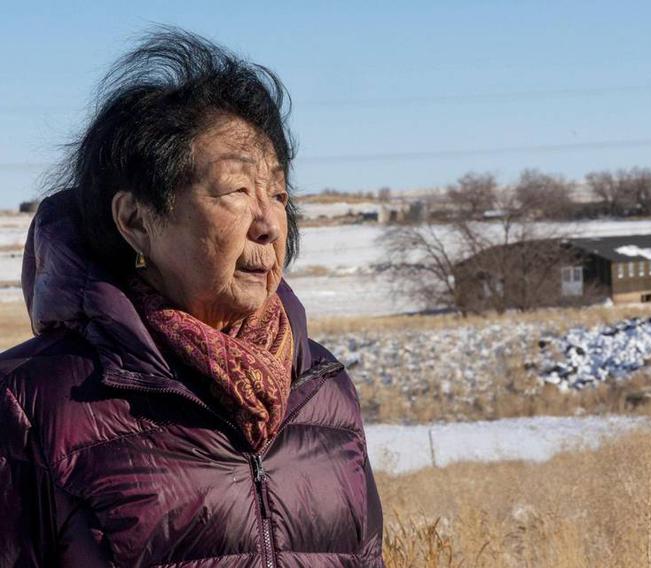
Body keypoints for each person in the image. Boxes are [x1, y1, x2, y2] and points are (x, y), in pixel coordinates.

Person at [0, 28, 384, 567]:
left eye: (277, 192)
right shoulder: (32, 401)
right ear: (136, 220)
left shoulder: (322, 387)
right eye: (236, 191)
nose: (269, 223)